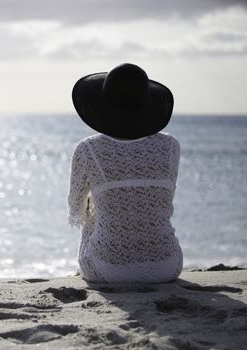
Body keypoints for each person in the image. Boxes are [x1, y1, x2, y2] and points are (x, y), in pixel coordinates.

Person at [67, 63, 183, 283]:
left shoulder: (88, 148)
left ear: (103, 106)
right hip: (167, 265)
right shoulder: (170, 146)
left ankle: (112, 255)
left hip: (107, 269)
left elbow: (76, 209)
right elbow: (159, 202)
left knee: (93, 207)